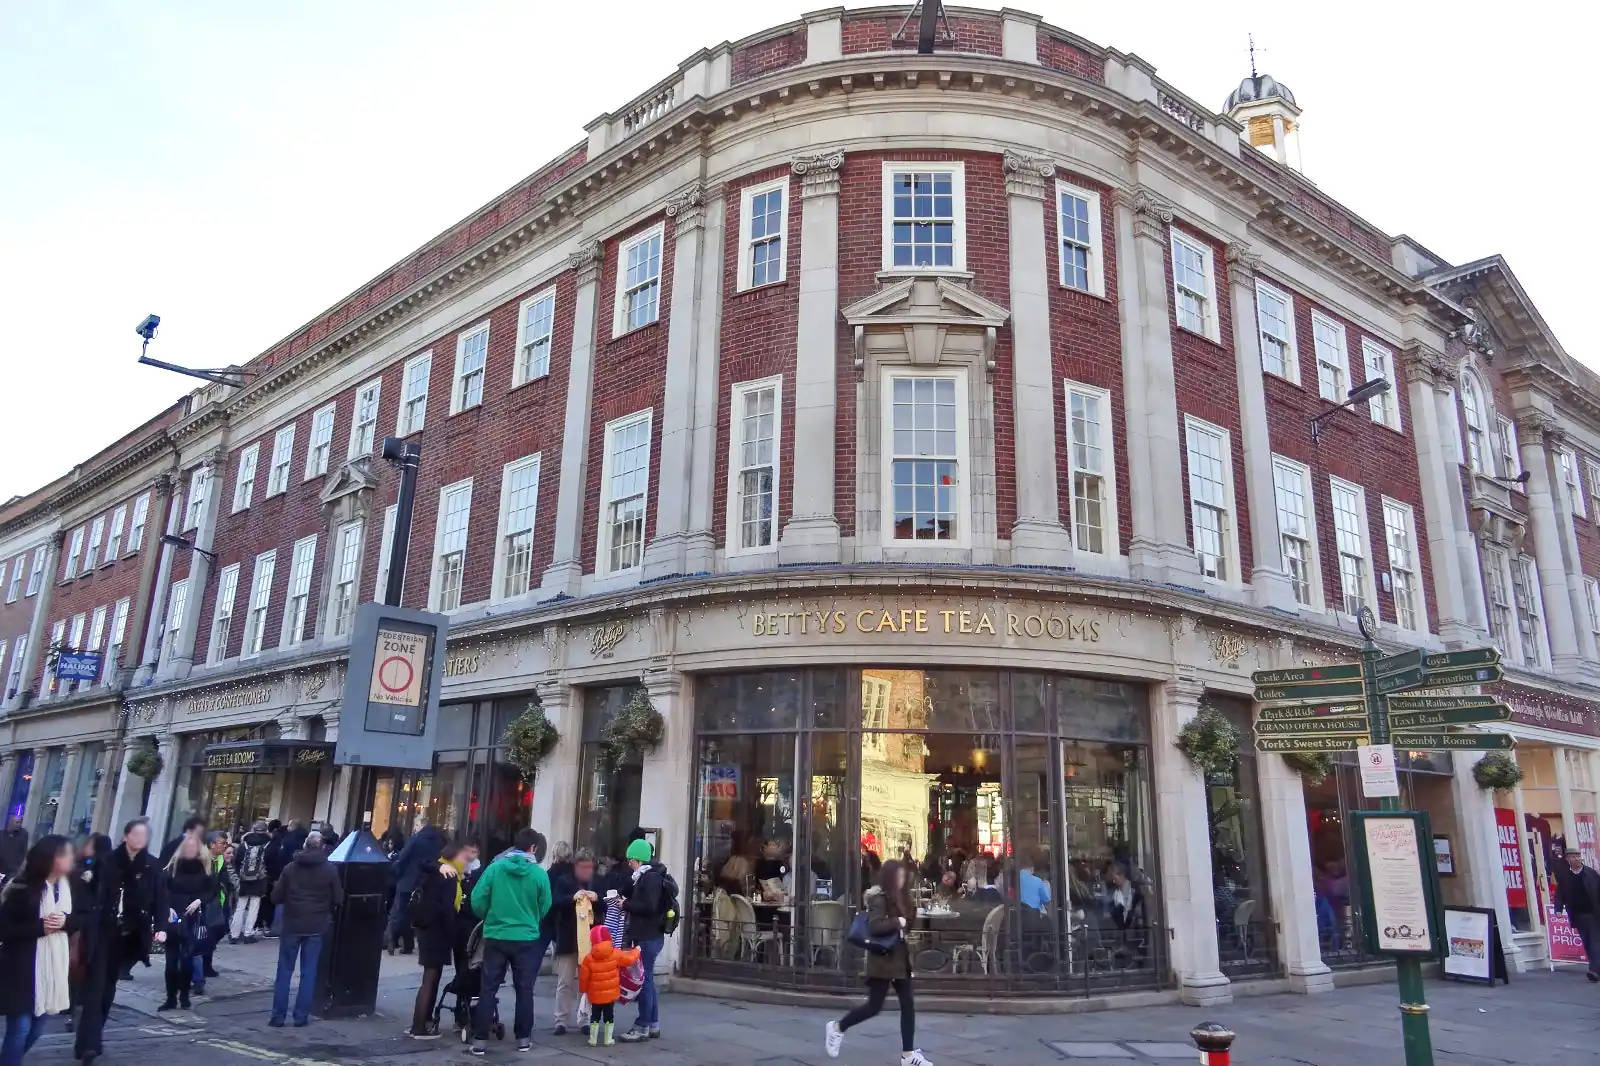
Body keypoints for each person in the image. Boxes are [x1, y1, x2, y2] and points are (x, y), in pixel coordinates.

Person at [823, 860, 931, 1066]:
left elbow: (907, 926)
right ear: (890, 877)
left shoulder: (902, 897)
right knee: (874, 1007)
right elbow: (875, 927)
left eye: (903, 876)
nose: (902, 880)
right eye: (898, 876)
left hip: (900, 960)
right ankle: (837, 1027)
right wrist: (896, 921)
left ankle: (908, 1055)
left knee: (908, 1005)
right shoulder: (879, 899)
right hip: (882, 961)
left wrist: (909, 914)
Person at [467, 827, 552, 1056]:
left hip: (496, 935)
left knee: (488, 989)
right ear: (533, 848)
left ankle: (480, 1040)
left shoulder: (495, 869)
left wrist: (490, 915)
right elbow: (545, 906)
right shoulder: (539, 874)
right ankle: (523, 1039)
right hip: (526, 938)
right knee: (524, 990)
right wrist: (531, 918)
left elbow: (477, 900)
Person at [0, 836, 79, 1066]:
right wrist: (39, 927)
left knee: (37, 1028)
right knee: (21, 1027)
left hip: (52, 968)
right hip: (22, 967)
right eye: (65, 854)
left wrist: (65, 921)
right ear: (51, 859)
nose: (71, 859)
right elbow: (4, 929)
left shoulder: (69, 886)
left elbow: (84, 918)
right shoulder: (22, 888)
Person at [270, 831, 342, 1027]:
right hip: (316, 924)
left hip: (293, 922)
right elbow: (338, 898)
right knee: (309, 972)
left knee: (284, 971)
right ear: (321, 847)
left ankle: (278, 1016)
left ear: (305, 845)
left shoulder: (290, 868)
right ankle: (301, 1016)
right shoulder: (330, 870)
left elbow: (276, 897)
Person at [407, 843, 471, 1039]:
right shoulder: (449, 876)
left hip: (425, 929)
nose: (465, 862)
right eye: (463, 858)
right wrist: (454, 935)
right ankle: (419, 1028)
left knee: (429, 979)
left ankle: (419, 1024)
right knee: (430, 980)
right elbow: (447, 909)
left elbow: (422, 864)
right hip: (437, 933)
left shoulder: (436, 869)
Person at [616, 837, 673, 1043]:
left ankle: (642, 1025)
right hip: (650, 936)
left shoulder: (650, 879)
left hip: (647, 936)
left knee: (644, 981)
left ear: (638, 859)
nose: (629, 863)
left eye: (631, 860)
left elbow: (649, 906)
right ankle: (653, 1023)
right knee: (647, 979)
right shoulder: (644, 876)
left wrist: (626, 905)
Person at [69, 833, 120, 1066]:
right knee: (101, 989)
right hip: (104, 937)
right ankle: (91, 1039)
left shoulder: (87, 872)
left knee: (97, 989)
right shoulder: (87, 871)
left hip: (102, 936)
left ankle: (89, 1038)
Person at [156, 832, 214, 1011]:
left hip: (192, 916)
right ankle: (171, 998)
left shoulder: (204, 867)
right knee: (171, 961)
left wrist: (199, 901)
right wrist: (167, 908)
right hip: (173, 915)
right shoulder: (174, 865)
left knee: (187, 959)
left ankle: (185, 996)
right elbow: (163, 889)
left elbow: (211, 890)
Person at [548, 847, 599, 1035]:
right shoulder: (564, 881)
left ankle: (584, 1018)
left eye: (589, 867)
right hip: (568, 939)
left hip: (589, 940)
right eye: (583, 867)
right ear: (576, 866)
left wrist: (597, 898)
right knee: (565, 982)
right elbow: (554, 903)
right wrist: (572, 898)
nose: (586, 871)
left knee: (587, 983)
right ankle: (561, 1020)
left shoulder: (596, 882)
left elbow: (604, 908)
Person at [110, 819, 158, 982]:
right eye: (136, 834)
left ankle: (123, 969)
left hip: (138, 918)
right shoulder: (111, 860)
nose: (140, 838)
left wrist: (161, 926)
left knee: (137, 947)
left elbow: (160, 894)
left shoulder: (151, 864)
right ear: (125, 836)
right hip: (111, 920)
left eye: (144, 835)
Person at [387, 819, 443, 955]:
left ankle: (390, 940)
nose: (415, 828)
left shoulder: (416, 839)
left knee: (398, 912)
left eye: (417, 825)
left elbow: (403, 857)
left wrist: (396, 871)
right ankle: (408, 945)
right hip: (425, 882)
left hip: (408, 880)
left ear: (422, 826)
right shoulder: (438, 841)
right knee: (412, 914)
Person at [578, 926, 639, 1048]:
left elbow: (583, 978)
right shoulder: (615, 953)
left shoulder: (588, 959)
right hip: (610, 995)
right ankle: (607, 1039)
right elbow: (630, 959)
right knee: (609, 1016)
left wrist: (584, 990)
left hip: (595, 996)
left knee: (594, 1016)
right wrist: (637, 950)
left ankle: (593, 1039)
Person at [193, 832, 236, 993]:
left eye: (226, 843)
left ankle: (205, 966)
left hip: (217, 903)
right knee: (200, 937)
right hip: (202, 904)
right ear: (212, 844)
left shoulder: (220, 860)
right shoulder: (201, 859)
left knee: (214, 932)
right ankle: (198, 976)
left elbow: (225, 880)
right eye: (222, 843)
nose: (225, 846)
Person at [1555, 847, 1600, 982]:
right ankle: (1596, 969)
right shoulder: (1565, 876)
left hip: (1593, 913)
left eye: (1577, 856)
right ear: (1567, 859)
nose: (1576, 859)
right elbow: (1560, 894)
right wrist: (1558, 909)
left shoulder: (1591, 873)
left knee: (1594, 942)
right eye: (1572, 857)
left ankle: (1594, 971)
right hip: (1577, 915)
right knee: (1587, 943)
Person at [231, 820, 272, 943]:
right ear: (265, 830)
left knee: (240, 907)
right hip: (259, 879)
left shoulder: (245, 842)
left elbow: (237, 861)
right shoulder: (268, 843)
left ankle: (234, 934)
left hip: (243, 878)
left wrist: (239, 874)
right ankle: (248, 933)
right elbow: (270, 861)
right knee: (254, 906)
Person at [260, 821, 290, 937]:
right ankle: (270, 925)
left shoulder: (269, 844)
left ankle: (260, 925)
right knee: (274, 902)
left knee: (264, 901)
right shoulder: (281, 845)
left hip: (265, 876)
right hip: (276, 876)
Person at [1017, 848, 1052, 914]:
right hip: (1035, 916)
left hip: (1015, 915)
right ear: (1032, 867)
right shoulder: (1038, 882)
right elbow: (1046, 900)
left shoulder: (1012, 879)